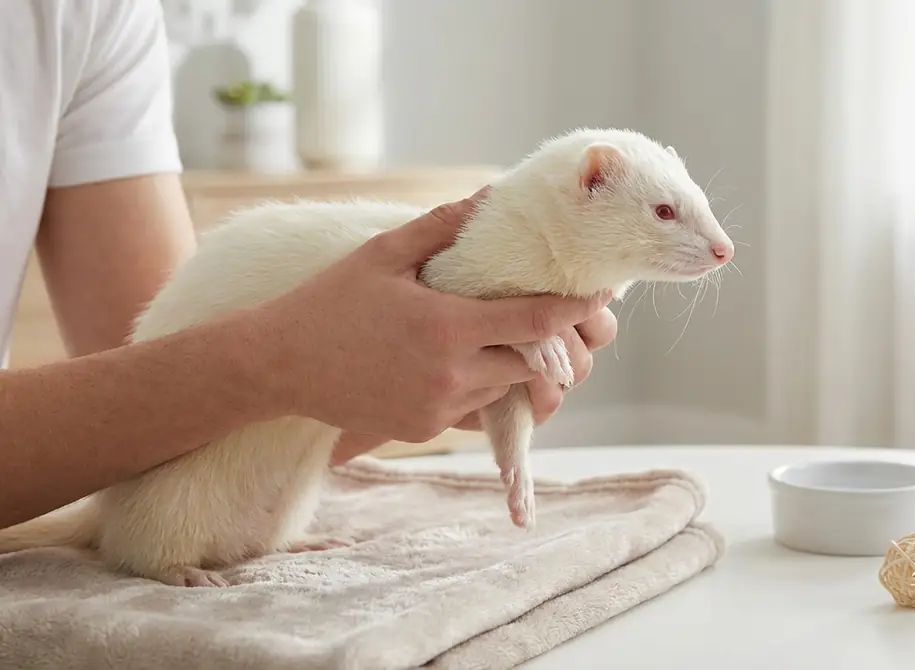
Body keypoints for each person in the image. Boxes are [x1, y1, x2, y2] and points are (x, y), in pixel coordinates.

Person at [0, 1, 617, 530]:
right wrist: (281, 358)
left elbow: (156, 419)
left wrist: (432, 375)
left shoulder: (99, 15)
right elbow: (186, 382)